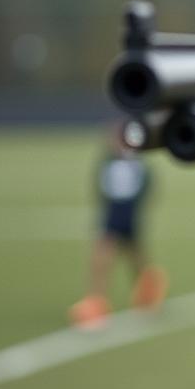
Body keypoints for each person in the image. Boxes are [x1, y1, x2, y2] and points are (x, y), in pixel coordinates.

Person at [69, 125, 167, 328]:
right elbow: (101, 185)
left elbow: (145, 186)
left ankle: (145, 288)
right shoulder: (108, 160)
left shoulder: (136, 162)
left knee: (129, 256)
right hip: (112, 212)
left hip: (128, 212)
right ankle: (98, 299)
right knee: (107, 255)